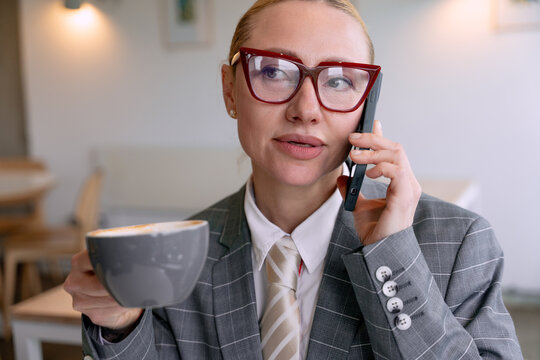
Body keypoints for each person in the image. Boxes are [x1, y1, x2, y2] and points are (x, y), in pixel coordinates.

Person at [64, 0, 523, 359]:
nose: (306, 109)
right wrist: (121, 324)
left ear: (368, 103)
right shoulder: (175, 258)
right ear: (230, 90)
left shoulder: (460, 244)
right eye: (273, 72)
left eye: (340, 80)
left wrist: (394, 260)